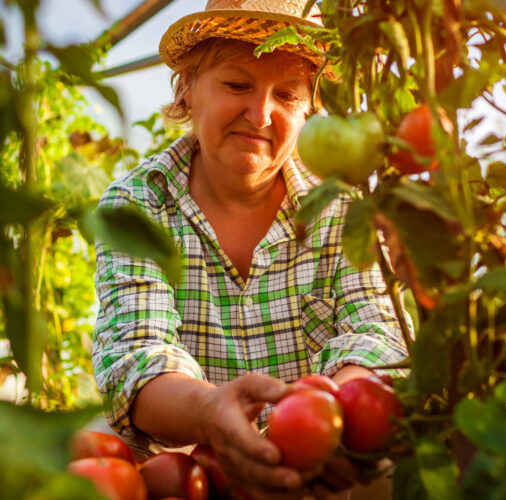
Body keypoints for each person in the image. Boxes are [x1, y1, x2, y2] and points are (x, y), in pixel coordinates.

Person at [91, 0, 407, 497]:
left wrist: (331, 419)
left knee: (388, 470)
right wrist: (211, 416)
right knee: (97, 449)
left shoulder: (343, 211)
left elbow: (377, 334)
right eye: (237, 84)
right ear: (188, 88)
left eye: (286, 94)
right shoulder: (138, 204)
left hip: (319, 459)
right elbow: (136, 352)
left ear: (309, 109)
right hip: (189, 452)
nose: (260, 114)